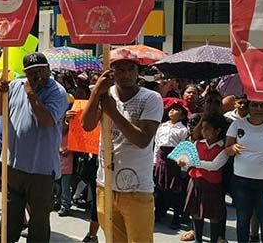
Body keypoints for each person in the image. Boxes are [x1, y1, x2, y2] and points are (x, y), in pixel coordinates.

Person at [82, 48, 163, 243]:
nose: (125, 74)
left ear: (138, 72)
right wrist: (96, 92)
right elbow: (87, 125)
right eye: (119, 69)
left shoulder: (151, 99)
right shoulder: (105, 94)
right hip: (106, 184)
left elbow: (143, 140)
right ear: (111, 72)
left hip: (137, 189)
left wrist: (113, 113)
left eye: (130, 69)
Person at [0, 52, 68, 243]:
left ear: (49, 69)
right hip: (13, 167)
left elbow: (47, 121)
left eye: (41, 71)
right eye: (32, 73)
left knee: (38, 223)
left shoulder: (57, 92)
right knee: (9, 221)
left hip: (41, 171)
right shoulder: (15, 85)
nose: (37, 77)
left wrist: (32, 94)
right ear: (25, 73)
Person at [226, 100, 263, 243]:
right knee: (243, 219)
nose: (258, 108)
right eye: (254, 105)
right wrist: (232, 149)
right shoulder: (237, 125)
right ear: (248, 107)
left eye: (262, 106)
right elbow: (227, 149)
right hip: (241, 181)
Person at [180, 115, 228, 243]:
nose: (204, 132)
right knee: (195, 212)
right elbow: (188, 164)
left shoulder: (223, 148)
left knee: (214, 215)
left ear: (217, 131)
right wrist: (184, 163)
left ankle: (213, 240)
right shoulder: (197, 144)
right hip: (195, 182)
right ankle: (198, 239)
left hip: (212, 184)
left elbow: (214, 166)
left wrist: (194, 162)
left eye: (208, 129)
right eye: (203, 128)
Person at [154, 98, 189, 228]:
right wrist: (154, 161)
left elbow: (184, 149)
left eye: (177, 110)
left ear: (183, 114)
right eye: (171, 109)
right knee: (159, 188)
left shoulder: (183, 130)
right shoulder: (161, 126)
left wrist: (183, 168)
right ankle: (158, 213)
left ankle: (176, 217)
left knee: (176, 191)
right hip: (160, 159)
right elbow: (157, 145)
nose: (172, 111)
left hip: (174, 162)